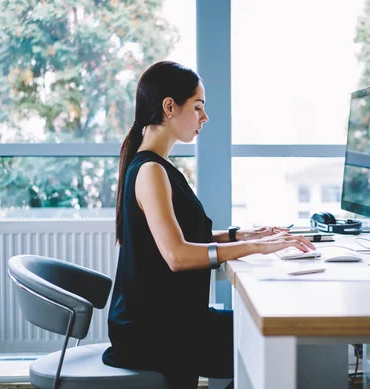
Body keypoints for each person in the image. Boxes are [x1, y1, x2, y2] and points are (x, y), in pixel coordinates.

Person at [102, 61, 315, 389]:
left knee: (270, 339)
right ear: (169, 107)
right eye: (198, 107)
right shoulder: (150, 171)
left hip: (167, 321)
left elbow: (179, 237)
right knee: (276, 342)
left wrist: (242, 235)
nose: (205, 117)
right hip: (154, 331)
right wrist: (255, 247)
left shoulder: (158, 167)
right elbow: (176, 255)